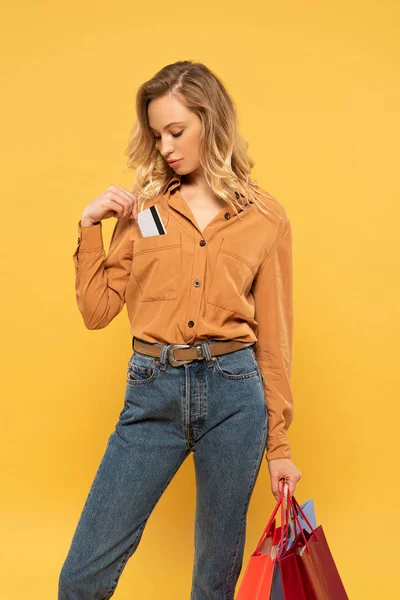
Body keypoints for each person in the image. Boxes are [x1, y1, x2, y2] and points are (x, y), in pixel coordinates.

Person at [58, 60, 302, 600]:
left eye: (177, 131)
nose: (165, 146)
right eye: (157, 134)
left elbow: (274, 340)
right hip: (153, 393)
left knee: (214, 580)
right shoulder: (145, 208)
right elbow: (97, 310)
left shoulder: (265, 218)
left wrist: (279, 447)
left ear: (210, 123)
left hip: (235, 398)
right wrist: (88, 226)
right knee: (82, 577)